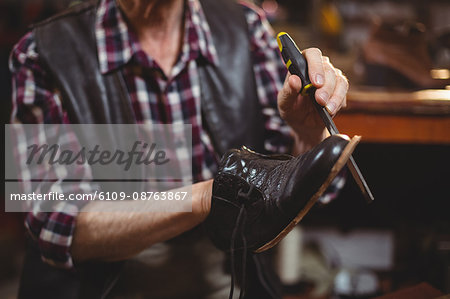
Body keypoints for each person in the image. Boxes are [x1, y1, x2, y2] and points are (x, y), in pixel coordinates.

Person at [10, 0, 349, 298]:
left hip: (227, 273)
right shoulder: (44, 52)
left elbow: (299, 184)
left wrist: (308, 131)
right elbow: (55, 224)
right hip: (106, 283)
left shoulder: (245, 27)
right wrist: (209, 197)